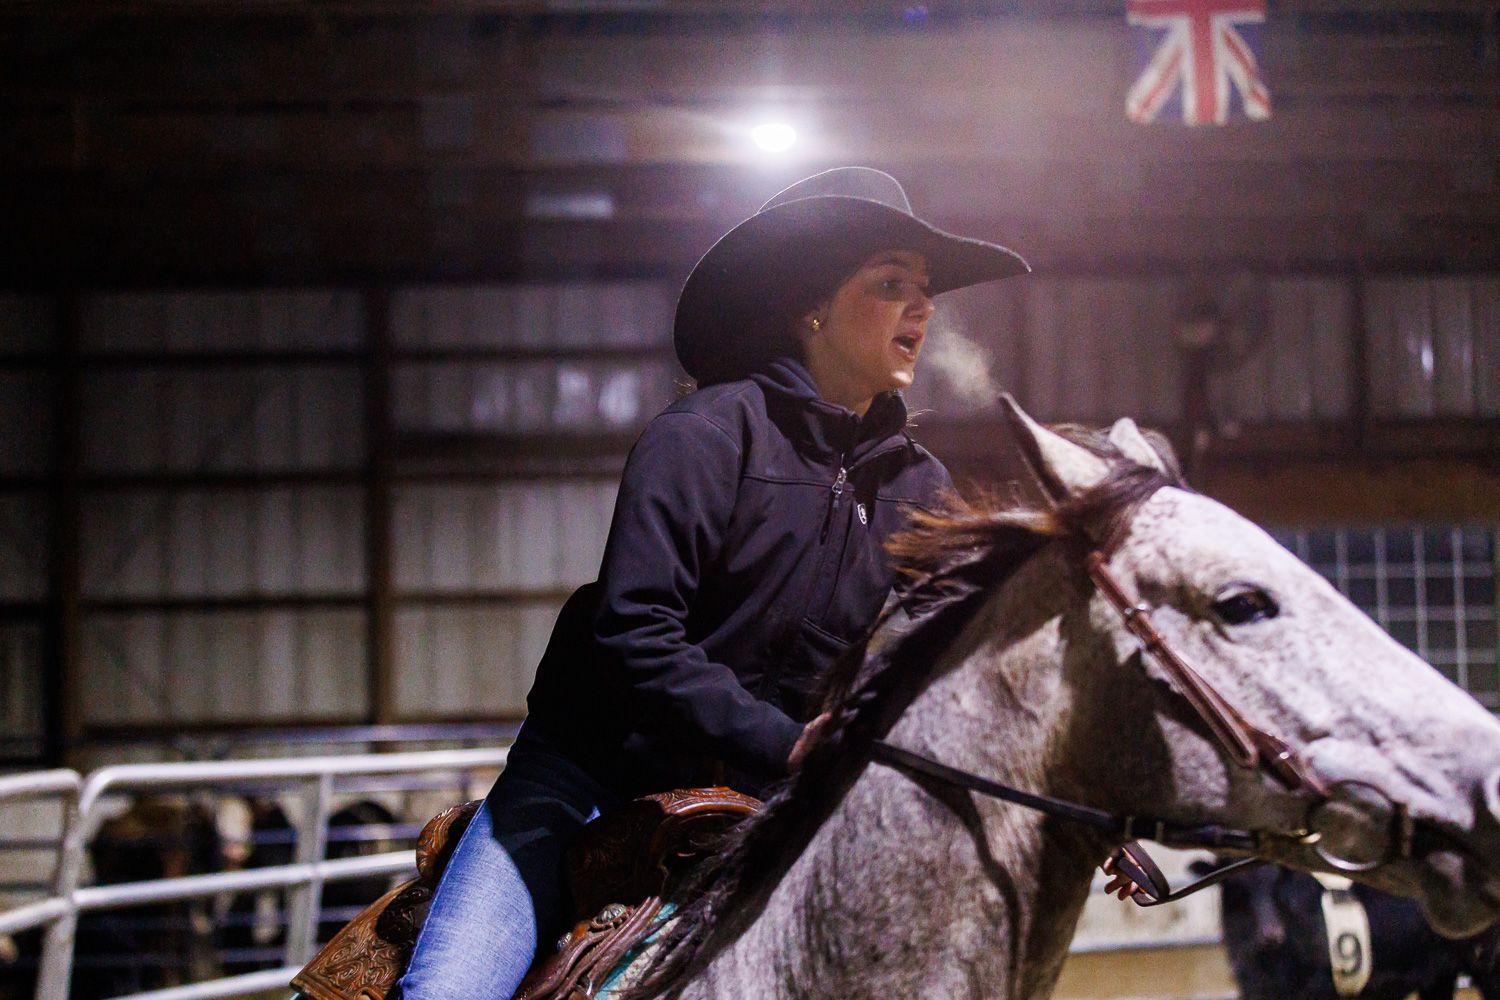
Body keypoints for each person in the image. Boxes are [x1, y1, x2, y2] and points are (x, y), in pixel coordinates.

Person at [396, 166, 1030, 1000]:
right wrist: (790, 744)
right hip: (593, 777)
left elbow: (949, 661)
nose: (923, 306)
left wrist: (1052, 796)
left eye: (925, 289)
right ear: (812, 307)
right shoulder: (700, 438)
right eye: (891, 283)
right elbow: (635, 636)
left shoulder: (921, 488)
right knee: (447, 994)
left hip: (764, 792)